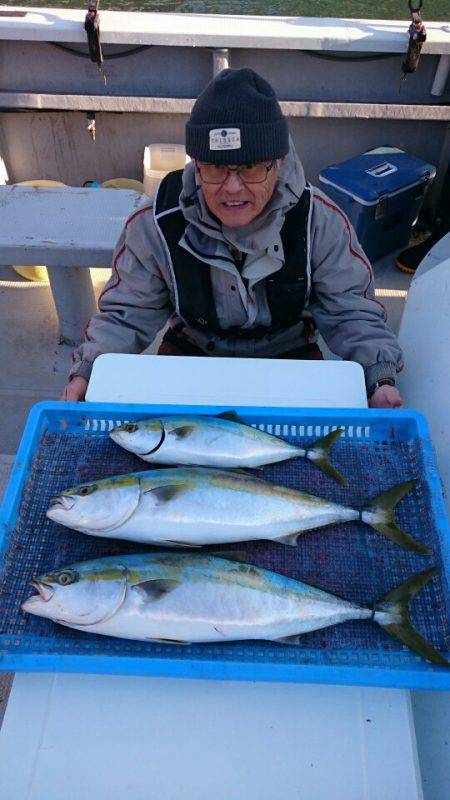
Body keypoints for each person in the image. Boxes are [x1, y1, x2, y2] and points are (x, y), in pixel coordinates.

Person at [62, 67, 403, 408]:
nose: (233, 187)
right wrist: (88, 369)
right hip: (193, 349)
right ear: (196, 164)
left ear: (279, 163)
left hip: (289, 351)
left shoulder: (322, 223)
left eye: (252, 167)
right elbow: (127, 316)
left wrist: (380, 378)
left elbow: (350, 313)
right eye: (215, 168)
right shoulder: (153, 226)